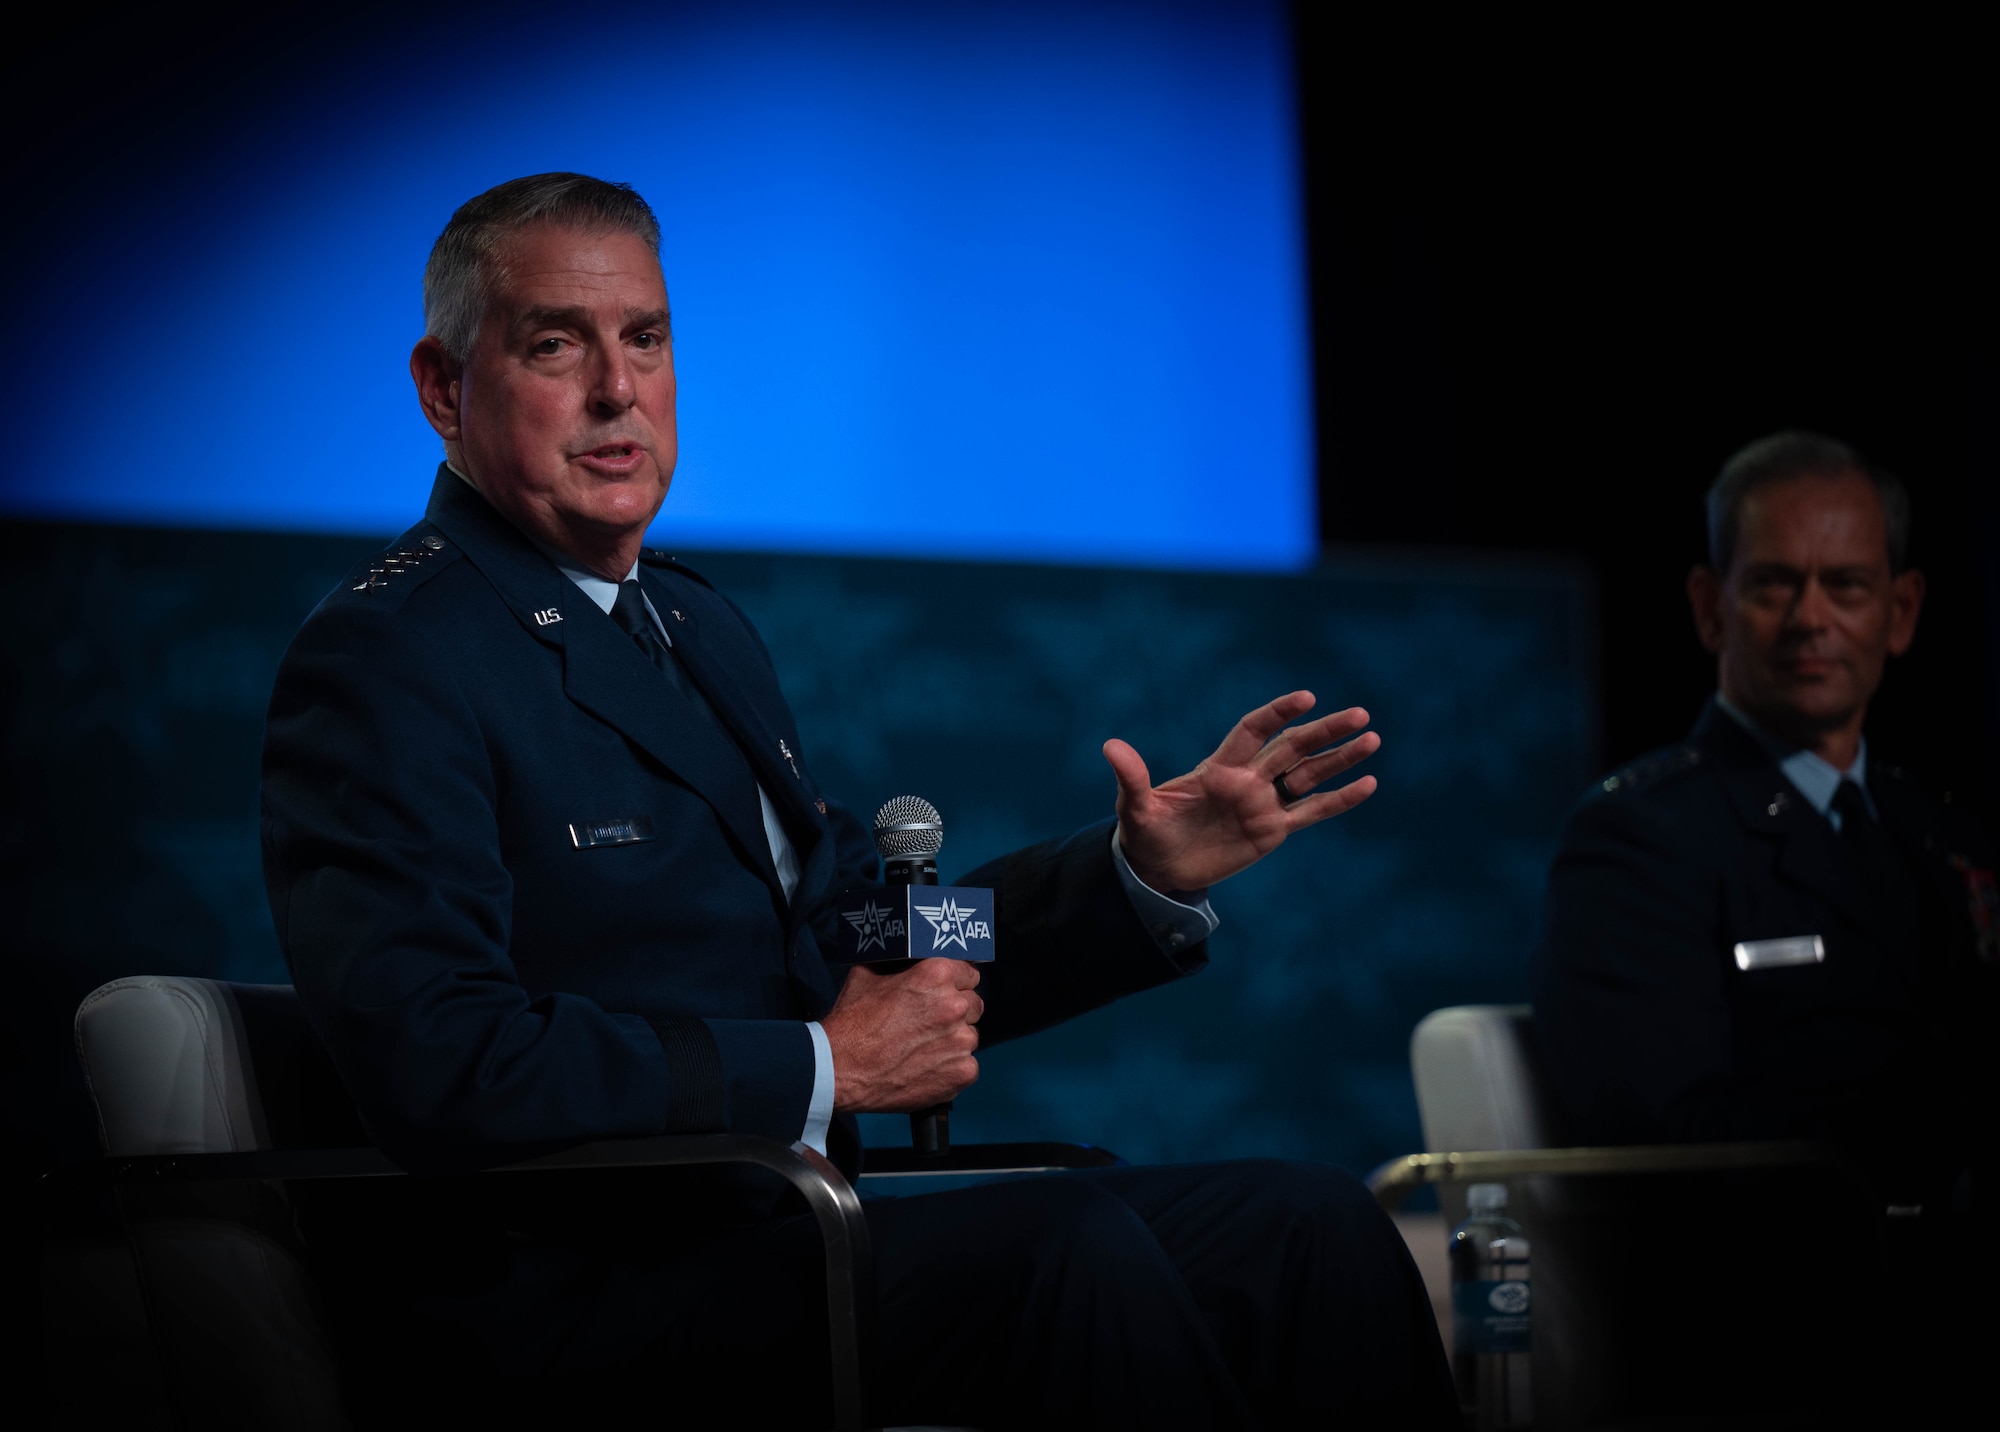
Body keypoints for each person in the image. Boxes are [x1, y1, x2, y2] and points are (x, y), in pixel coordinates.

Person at [260, 173, 1456, 1428]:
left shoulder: (695, 625)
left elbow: (857, 938)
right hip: (568, 1298)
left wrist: (1136, 877)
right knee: (1066, 1251)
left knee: (1309, 1223)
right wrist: (825, 1061)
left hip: (763, 1245)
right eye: (555, 344)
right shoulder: (392, 656)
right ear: (444, 388)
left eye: (647, 340)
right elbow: (443, 1057)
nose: (619, 390)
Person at [1529, 430, 1996, 1417]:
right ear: (1709, 606)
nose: (1810, 619)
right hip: (1771, 1323)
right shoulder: (1637, 837)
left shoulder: (1943, 837)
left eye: (1847, 586)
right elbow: (1662, 1145)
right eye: (1775, 584)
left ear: (1899, 612)